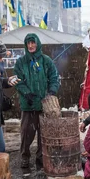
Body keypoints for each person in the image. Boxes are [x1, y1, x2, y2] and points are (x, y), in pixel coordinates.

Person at [14, 33, 60, 170]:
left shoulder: (46, 61)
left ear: (37, 43)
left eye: (33, 43)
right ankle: (25, 157)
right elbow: (17, 80)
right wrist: (26, 93)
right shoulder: (21, 62)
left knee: (43, 134)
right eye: (28, 43)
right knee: (26, 134)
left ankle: (41, 158)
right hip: (28, 106)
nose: (30, 46)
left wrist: (51, 91)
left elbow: (54, 77)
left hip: (44, 105)